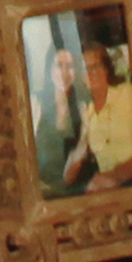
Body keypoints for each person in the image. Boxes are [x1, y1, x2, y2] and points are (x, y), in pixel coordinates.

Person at [62, 21, 132, 191]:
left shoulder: (127, 93)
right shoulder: (88, 114)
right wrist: (81, 147)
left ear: (107, 68)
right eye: (86, 69)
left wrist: (114, 176)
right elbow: (68, 178)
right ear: (81, 77)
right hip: (110, 190)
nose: (92, 73)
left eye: (96, 66)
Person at [32, 43, 84, 188]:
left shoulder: (83, 106)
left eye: (70, 66)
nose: (64, 73)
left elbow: (82, 150)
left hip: (73, 187)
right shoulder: (35, 103)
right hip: (40, 187)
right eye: (58, 66)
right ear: (49, 69)